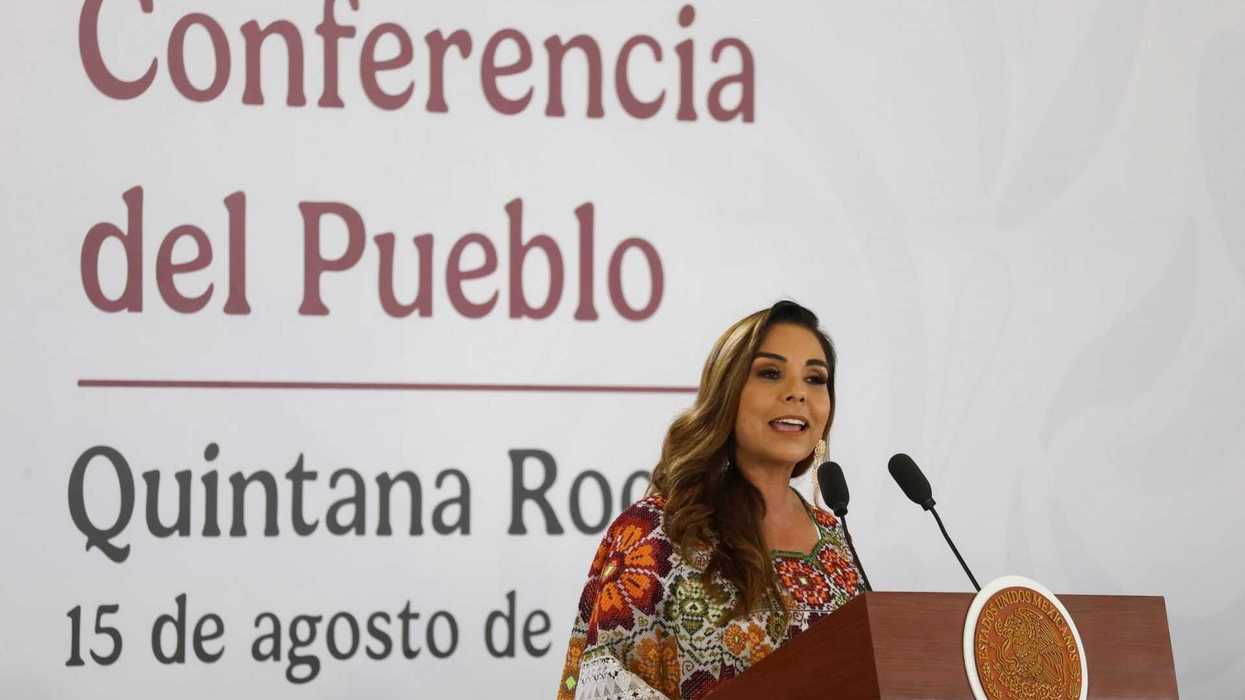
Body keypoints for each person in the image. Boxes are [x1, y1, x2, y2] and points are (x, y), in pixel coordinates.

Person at [556, 300, 866, 700]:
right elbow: (606, 686)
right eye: (771, 373)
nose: (797, 394)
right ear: (727, 393)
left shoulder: (835, 540)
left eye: (815, 379)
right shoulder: (657, 533)